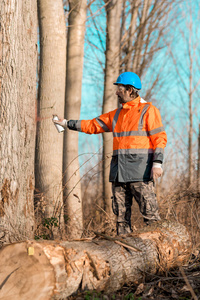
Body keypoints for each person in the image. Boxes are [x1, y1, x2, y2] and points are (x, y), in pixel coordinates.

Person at [54, 72, 167, 235]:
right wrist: (66, 123)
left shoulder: (148, 110)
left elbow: (160, 138)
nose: (116, 92)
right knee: (121, 221)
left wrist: (157, 163)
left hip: (141, 174)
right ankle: (124, 255)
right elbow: (92, 125)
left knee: (151, 218)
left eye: (119, 89)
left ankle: (159, 253)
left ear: (130, 90)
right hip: (118, 174)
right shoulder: (115, 115)